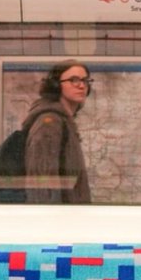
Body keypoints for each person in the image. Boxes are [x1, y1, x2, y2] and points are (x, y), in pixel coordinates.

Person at [23, 60, 92, 203]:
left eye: (85, 81)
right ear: (56, 85)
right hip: (58, 220)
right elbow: (42, 182)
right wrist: (52, 221)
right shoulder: (49, 123)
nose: (81, 85)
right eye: (74, 80)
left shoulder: (64, 122)